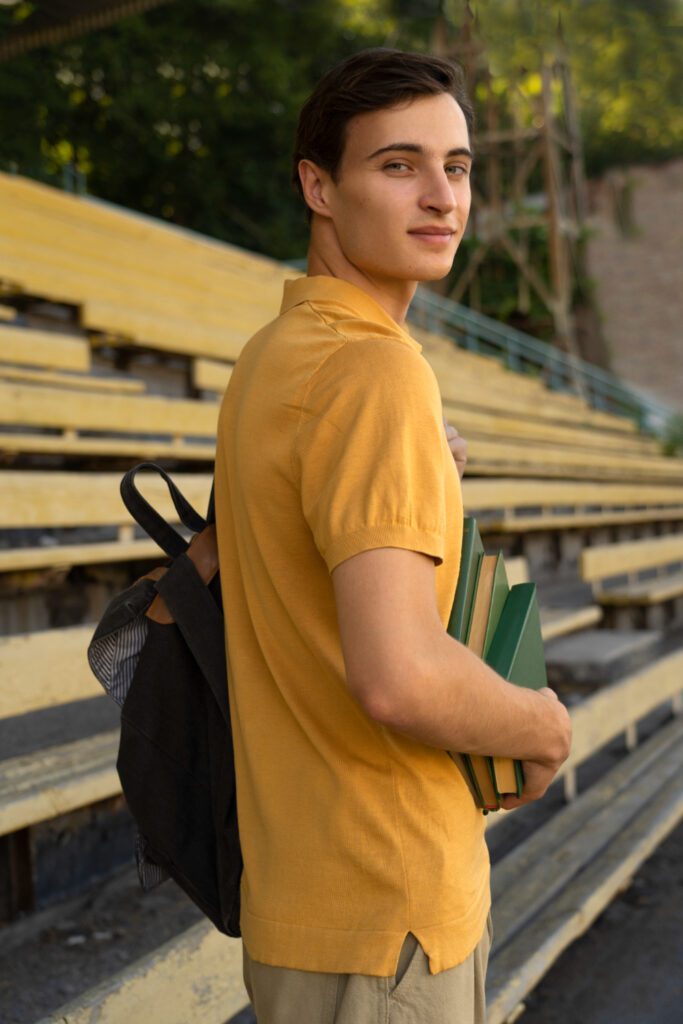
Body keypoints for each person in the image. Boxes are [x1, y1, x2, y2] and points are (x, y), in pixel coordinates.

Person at [214, 47, 572, 1024]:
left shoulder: (271, 357)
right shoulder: (374, 373)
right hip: (391, 913)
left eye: (454, 167)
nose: (438, 195)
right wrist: (541, 725)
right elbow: (398, 676)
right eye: (396, 164)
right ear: (317, 186)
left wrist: (414, 464)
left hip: (302, 906)